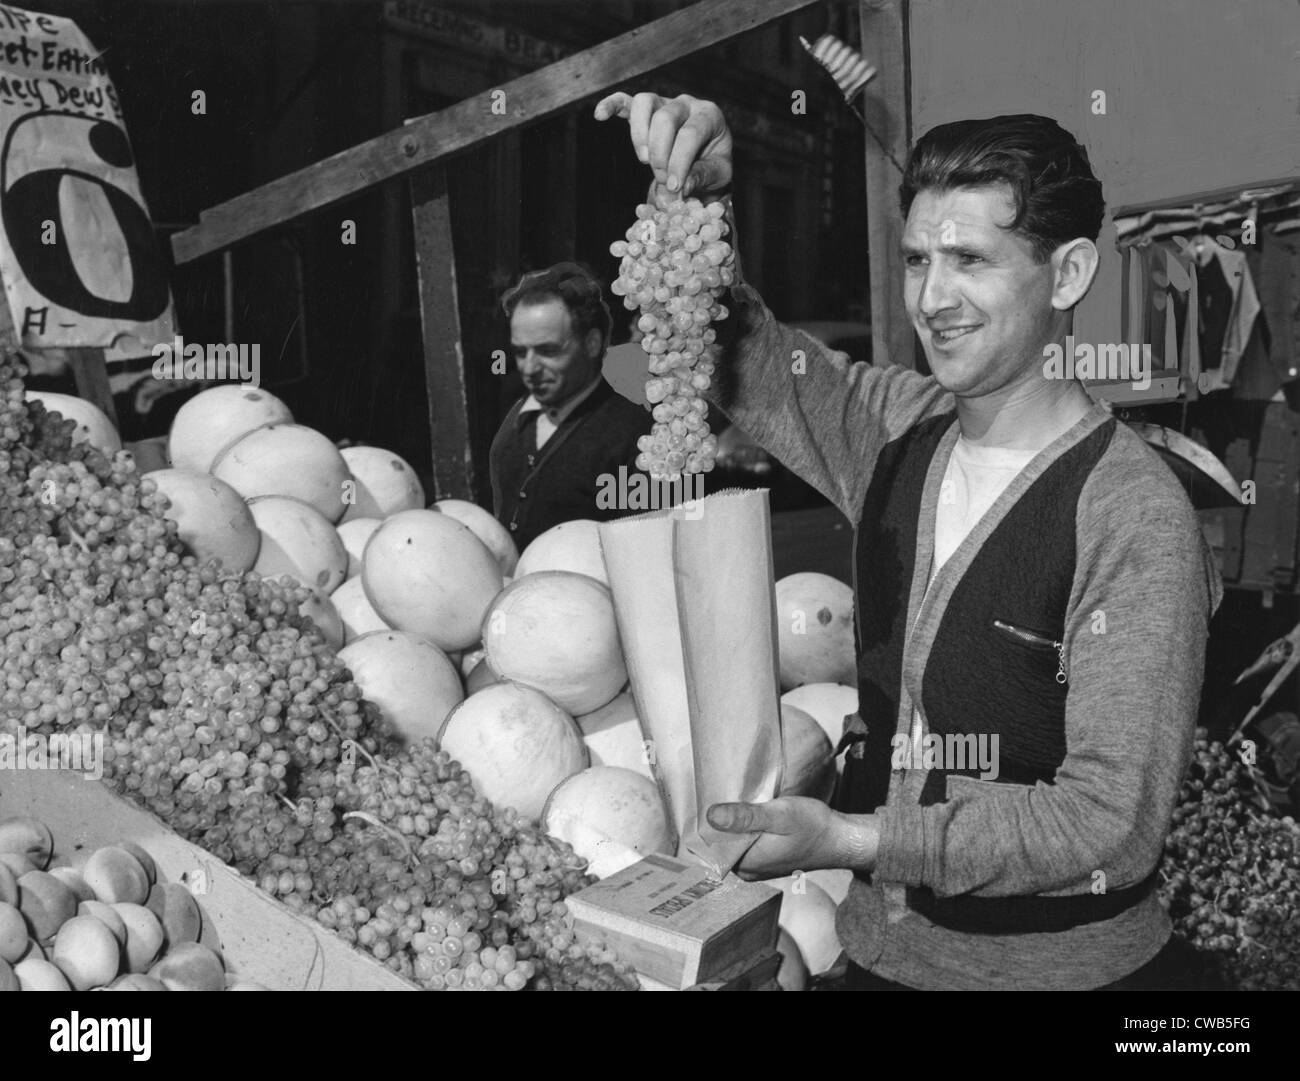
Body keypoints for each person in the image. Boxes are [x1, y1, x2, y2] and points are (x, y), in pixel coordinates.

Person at [594, 92, 1224, 990]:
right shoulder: (899, 428)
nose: (932, 298)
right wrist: (698, 198)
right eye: (917, 258)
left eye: (970, 259)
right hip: (887, 958)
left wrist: (854, 837)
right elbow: (745, 360)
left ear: (1071, 273)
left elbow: (1110, 824)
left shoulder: (1129, 511)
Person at [489, 263, 651, 551]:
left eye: (548, 351)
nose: (530, 368)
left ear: (591, 343)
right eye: (520, 352)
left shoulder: (635, 438)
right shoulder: (517, 413)